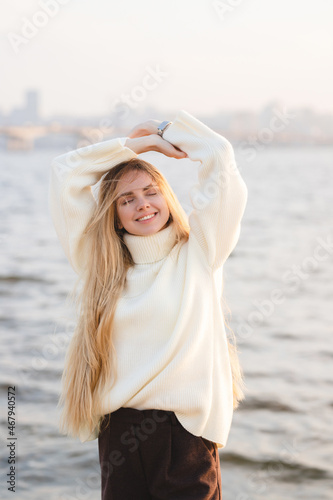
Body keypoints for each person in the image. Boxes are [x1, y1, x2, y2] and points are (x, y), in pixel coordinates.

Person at [48, 110, 248, 499]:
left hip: (185, 438)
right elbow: (63, 173)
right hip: (119, 436)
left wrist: (163, 131)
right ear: (116, 215)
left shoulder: (201, 253)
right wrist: (133, 146)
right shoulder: (101, 266)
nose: (143, 204)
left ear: (167, 197)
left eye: (151, 191)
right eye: (127, 198)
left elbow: (220, 156)